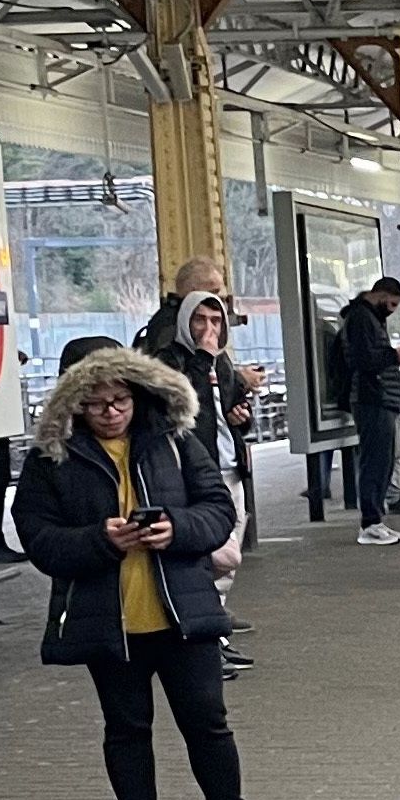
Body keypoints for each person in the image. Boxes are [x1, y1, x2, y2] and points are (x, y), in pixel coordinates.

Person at [12, 340, 261, 800]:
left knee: (208, 722)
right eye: (97, 402)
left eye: (121, 399)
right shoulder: (52, 458)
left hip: (183, 615)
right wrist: (100, 540)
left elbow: (218, 509)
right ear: (74, 401)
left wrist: (176, 528)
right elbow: (38, 537)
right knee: (127, 728)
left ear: (139, 394)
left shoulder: (172, 439)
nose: (111, 411)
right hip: (110, 620)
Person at [155, 287, 261, 677]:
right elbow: (184, 406)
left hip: (230, 467)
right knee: (213, 556)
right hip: (194, 473)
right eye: (200, 319)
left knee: (228, 560)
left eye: (216, 321)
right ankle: (197, 638)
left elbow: (229, 409)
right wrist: (202, 358)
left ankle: (213, 637)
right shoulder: (173, 361)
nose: (209, 329)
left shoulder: (224, 362)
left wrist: (242, 418)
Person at [334, 275, 400, 542]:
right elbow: (364, 359)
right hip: (372, 397)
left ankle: (376, 519)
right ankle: (370, 522)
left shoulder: (367, 317)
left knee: (383, 460)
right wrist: (395, 356)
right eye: (391, 304)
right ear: (380, 295)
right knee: (375, 461)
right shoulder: (361, 318)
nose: (391, 311)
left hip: (380, 397)